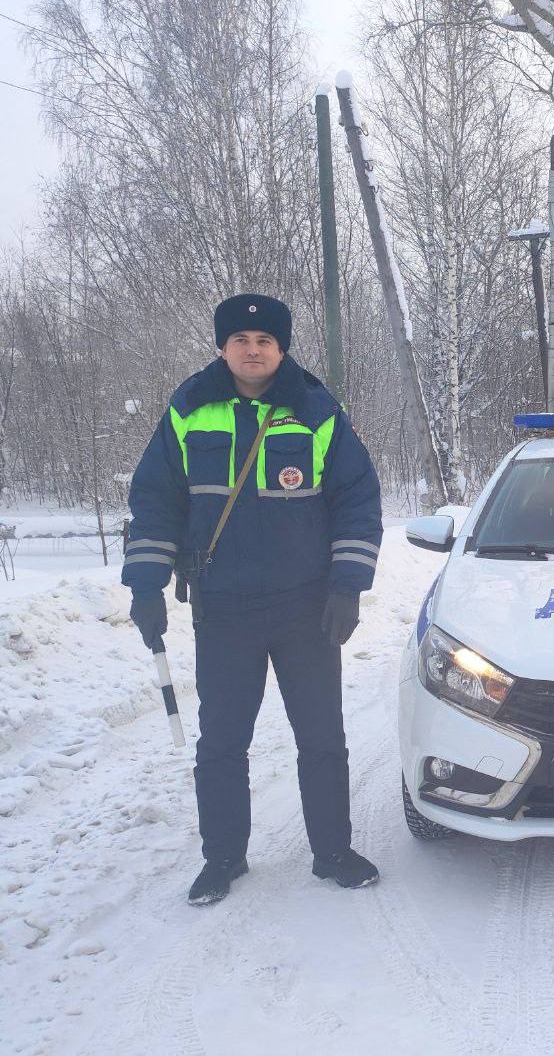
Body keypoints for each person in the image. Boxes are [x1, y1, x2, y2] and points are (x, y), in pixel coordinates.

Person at [123, 293, 383, 905]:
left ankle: (332, 851)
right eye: (240, 339)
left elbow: (357, 499)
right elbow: (156, 498)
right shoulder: (190, 408)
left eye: (265, 341)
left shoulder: (317, 411)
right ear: (222, 346)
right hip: (224, 608)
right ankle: (223, 858)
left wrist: (347, 587)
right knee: (222, 742)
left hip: (305, 609)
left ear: (282, 348)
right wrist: (145, 585)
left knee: (321, 736)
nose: (253, 349)